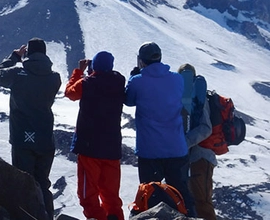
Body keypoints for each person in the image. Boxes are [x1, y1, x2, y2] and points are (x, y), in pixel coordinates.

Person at [124, 42, 197, 217]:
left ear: (141, 61)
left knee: (150, 193)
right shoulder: (177, 79)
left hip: (150, 149)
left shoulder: (138, 81)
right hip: (176, 147)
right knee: (181, 193)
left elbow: (128, 100)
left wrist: (133, 77)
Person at [0, 38, 61, 218]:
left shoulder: (17, 73)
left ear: (28, 53)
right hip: (45, 137)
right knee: (43, 184)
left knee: (23, 183)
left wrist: (14, 57)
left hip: (22, 136)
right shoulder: (55, 78)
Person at [64, 52, 125, 220]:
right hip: (112, 148)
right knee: (111, 195)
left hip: (89, 147)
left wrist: (79, 71)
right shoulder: (119, 82)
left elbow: (70, 93)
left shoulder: (87, 83)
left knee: (88, 195)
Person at [179, 63, 217, 220]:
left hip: (201, 156)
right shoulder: (188, 96)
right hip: (196, 156)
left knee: (202, 203)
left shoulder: (199, 98)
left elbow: (206, 128)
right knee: (194, 202)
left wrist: (185, 142)